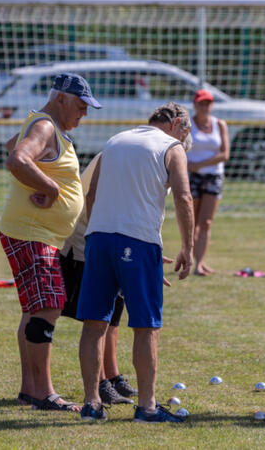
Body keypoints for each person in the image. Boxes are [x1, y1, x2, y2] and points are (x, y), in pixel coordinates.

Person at [77, 102, 194, 423]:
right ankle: (147, 407)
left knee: (94, 324)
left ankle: (91, 404)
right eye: (186, 134)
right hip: (138, 242)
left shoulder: (115, 140)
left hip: (98, 238)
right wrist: (188, 246)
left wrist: (96, 234)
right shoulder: (172, 147)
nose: (185, 142)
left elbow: (91, 194)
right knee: (146, 326)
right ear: (178, 124)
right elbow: (184, 196)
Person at [0, 73, 101, 412]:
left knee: (34, 309)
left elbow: (11, 147)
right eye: (81, 106)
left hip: (35, 232)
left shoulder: (43, 126)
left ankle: (30, 389)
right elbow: (17, 159)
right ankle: (43, 393)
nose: (84, 113)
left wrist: (42, 181)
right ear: (60, 99)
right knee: (48, 306)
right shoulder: (45, 127)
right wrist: (52, 188)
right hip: (33, 233)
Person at [60, 153, 137, 405]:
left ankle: (112, 376)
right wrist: (98, 242)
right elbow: (92, 198)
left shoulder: (150, 153)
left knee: (115, 310)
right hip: (89, 238)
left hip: (116, 237)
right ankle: (101, 383)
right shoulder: (124, 155)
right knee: (98, 317)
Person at [186, 89, 229, 276]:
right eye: (202, 103)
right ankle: (190, 260)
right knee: (192, 222)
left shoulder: (220, 124)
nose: (205, 106)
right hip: (192, 176)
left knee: (206, 222)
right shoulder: (188, 125)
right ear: (195, 104)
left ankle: (200, 264)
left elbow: (224, 154)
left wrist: (200, 164)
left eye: (208, 103)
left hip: (213, 176)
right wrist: (189, 166)